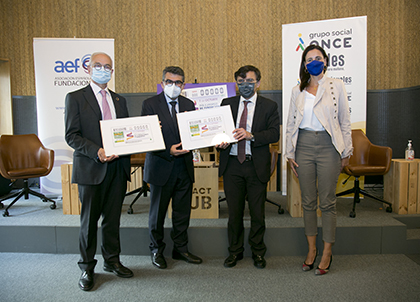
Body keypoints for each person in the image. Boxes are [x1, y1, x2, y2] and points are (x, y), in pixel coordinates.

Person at [65, 52, 133, 291]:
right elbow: (71, 136)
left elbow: (125, 133)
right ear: (88, 69)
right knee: (89, 222)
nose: (103, 70)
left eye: (107, 67)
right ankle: (86, 267)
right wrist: (98, 151)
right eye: (98, 66)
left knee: (112, 220)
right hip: (91, 169)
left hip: (116, 169)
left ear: (112, 71)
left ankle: (112, 261)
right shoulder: (75, 98)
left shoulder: (119, 100)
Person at [285, 45, 353, 275]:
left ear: (325, 60)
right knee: (308, 202)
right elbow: (291, 124)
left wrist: (346, 152)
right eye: (309, 59)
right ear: (304, 64)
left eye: (318, 58)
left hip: (328, 147)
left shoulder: (336, 86)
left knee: (328, 202)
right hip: (303, 146)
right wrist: (289, 153)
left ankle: (327, 252)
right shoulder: (298, 90)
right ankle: (311, 250)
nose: (314, 61)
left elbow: (344, 121)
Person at [217, 65, 280, 269]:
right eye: (241, 82)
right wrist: (220, 141)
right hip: (232, 165)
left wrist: (251, 135)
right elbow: (219, 131)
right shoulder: (226, 104)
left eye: (250, 81)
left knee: (257, 213)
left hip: (255, 165)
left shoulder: (269, 106)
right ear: (236, 84)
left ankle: (258, 252)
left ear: (258, 83)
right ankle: (234, 252)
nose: (245, 85)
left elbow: (274, 134)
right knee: (234, 213)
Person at [141, 66, 202, 269]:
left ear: (183, 85)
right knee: (157, 213)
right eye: (169, 82)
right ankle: (156, 249)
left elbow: (193, 132)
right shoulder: (149, 104)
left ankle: (180, 248)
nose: (173, 86)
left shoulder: (188, 104)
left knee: (182, 212)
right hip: (161, 164)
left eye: (178, 83)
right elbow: (147, 138)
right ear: (162, 83)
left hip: (184, 166)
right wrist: (169, 150)